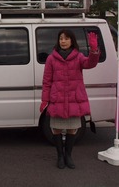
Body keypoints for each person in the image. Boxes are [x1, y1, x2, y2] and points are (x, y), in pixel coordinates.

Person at [40, 29, 99, 169]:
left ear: (72, 40)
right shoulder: (51, 58)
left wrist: (94, 50)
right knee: (56, 129)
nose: (63, 41)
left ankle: (68, 155)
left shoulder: (78, 57)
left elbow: (90, 63)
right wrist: (44, 100)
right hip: (58, 99)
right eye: (61, 38)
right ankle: (60, 156)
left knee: (73, 129)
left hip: (74, 100)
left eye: (66, 38)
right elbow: (47, 81)